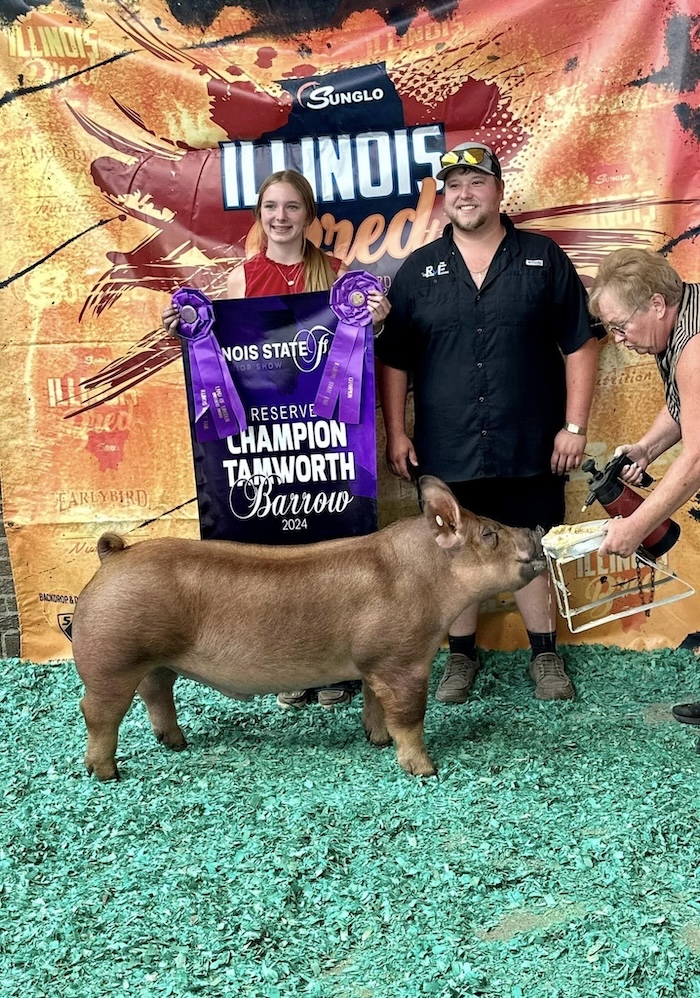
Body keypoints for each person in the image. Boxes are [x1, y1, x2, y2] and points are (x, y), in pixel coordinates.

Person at [375, 142, 600, 704]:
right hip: (445, 443)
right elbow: (394, 358)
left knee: (533, 544)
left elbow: (580, 342)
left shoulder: (542, 258)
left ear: (499, 191)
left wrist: (574, 426)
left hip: (529, 438)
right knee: (454, 549)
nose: (464, 194)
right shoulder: (418, 271)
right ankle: (460, 659)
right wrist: (397, 432)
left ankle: (545, 653)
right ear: (443, 198)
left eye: (476, 182)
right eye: (453, 185)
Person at [163, 168, 390, 710]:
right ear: (259, 215)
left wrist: (376, 323)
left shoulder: (339, 275)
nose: (281, 217)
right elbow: (219, 355)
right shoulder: (241, 280)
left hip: (328, 435)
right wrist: (184, 331)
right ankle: (287, 666)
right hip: (266, 439)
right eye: (271, 207)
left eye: (292, 207)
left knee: (330, 553)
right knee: (275, 560)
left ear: (308, 216)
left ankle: (337, 668)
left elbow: (357, 351)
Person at [589, 247, 700, 726]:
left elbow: (697, 458)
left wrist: (635, 525)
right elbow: (683, 406)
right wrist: (646, 449)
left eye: (621, 326)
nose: (618, 339)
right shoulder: (672, 325)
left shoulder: (694, 345)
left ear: (656, 304)